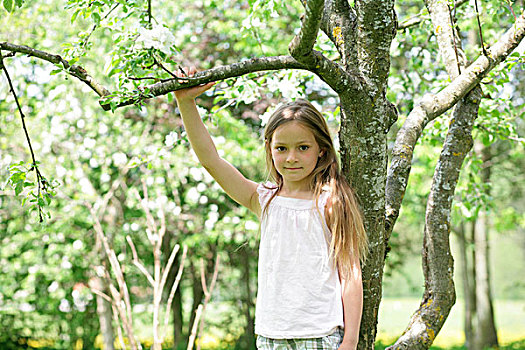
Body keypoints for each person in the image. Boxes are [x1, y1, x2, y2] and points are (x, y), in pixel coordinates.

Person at [174, 67, 368, 350]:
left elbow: (350, 272)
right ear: (270, 149)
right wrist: (185, 102)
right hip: (270, 336)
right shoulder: (264, 199)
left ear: (321, 151)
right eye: (282, 148)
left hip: (320, 335)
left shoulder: (331, 201)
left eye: (303, 147)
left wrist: (350, 341)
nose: (291, 157)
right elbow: (211, 160)